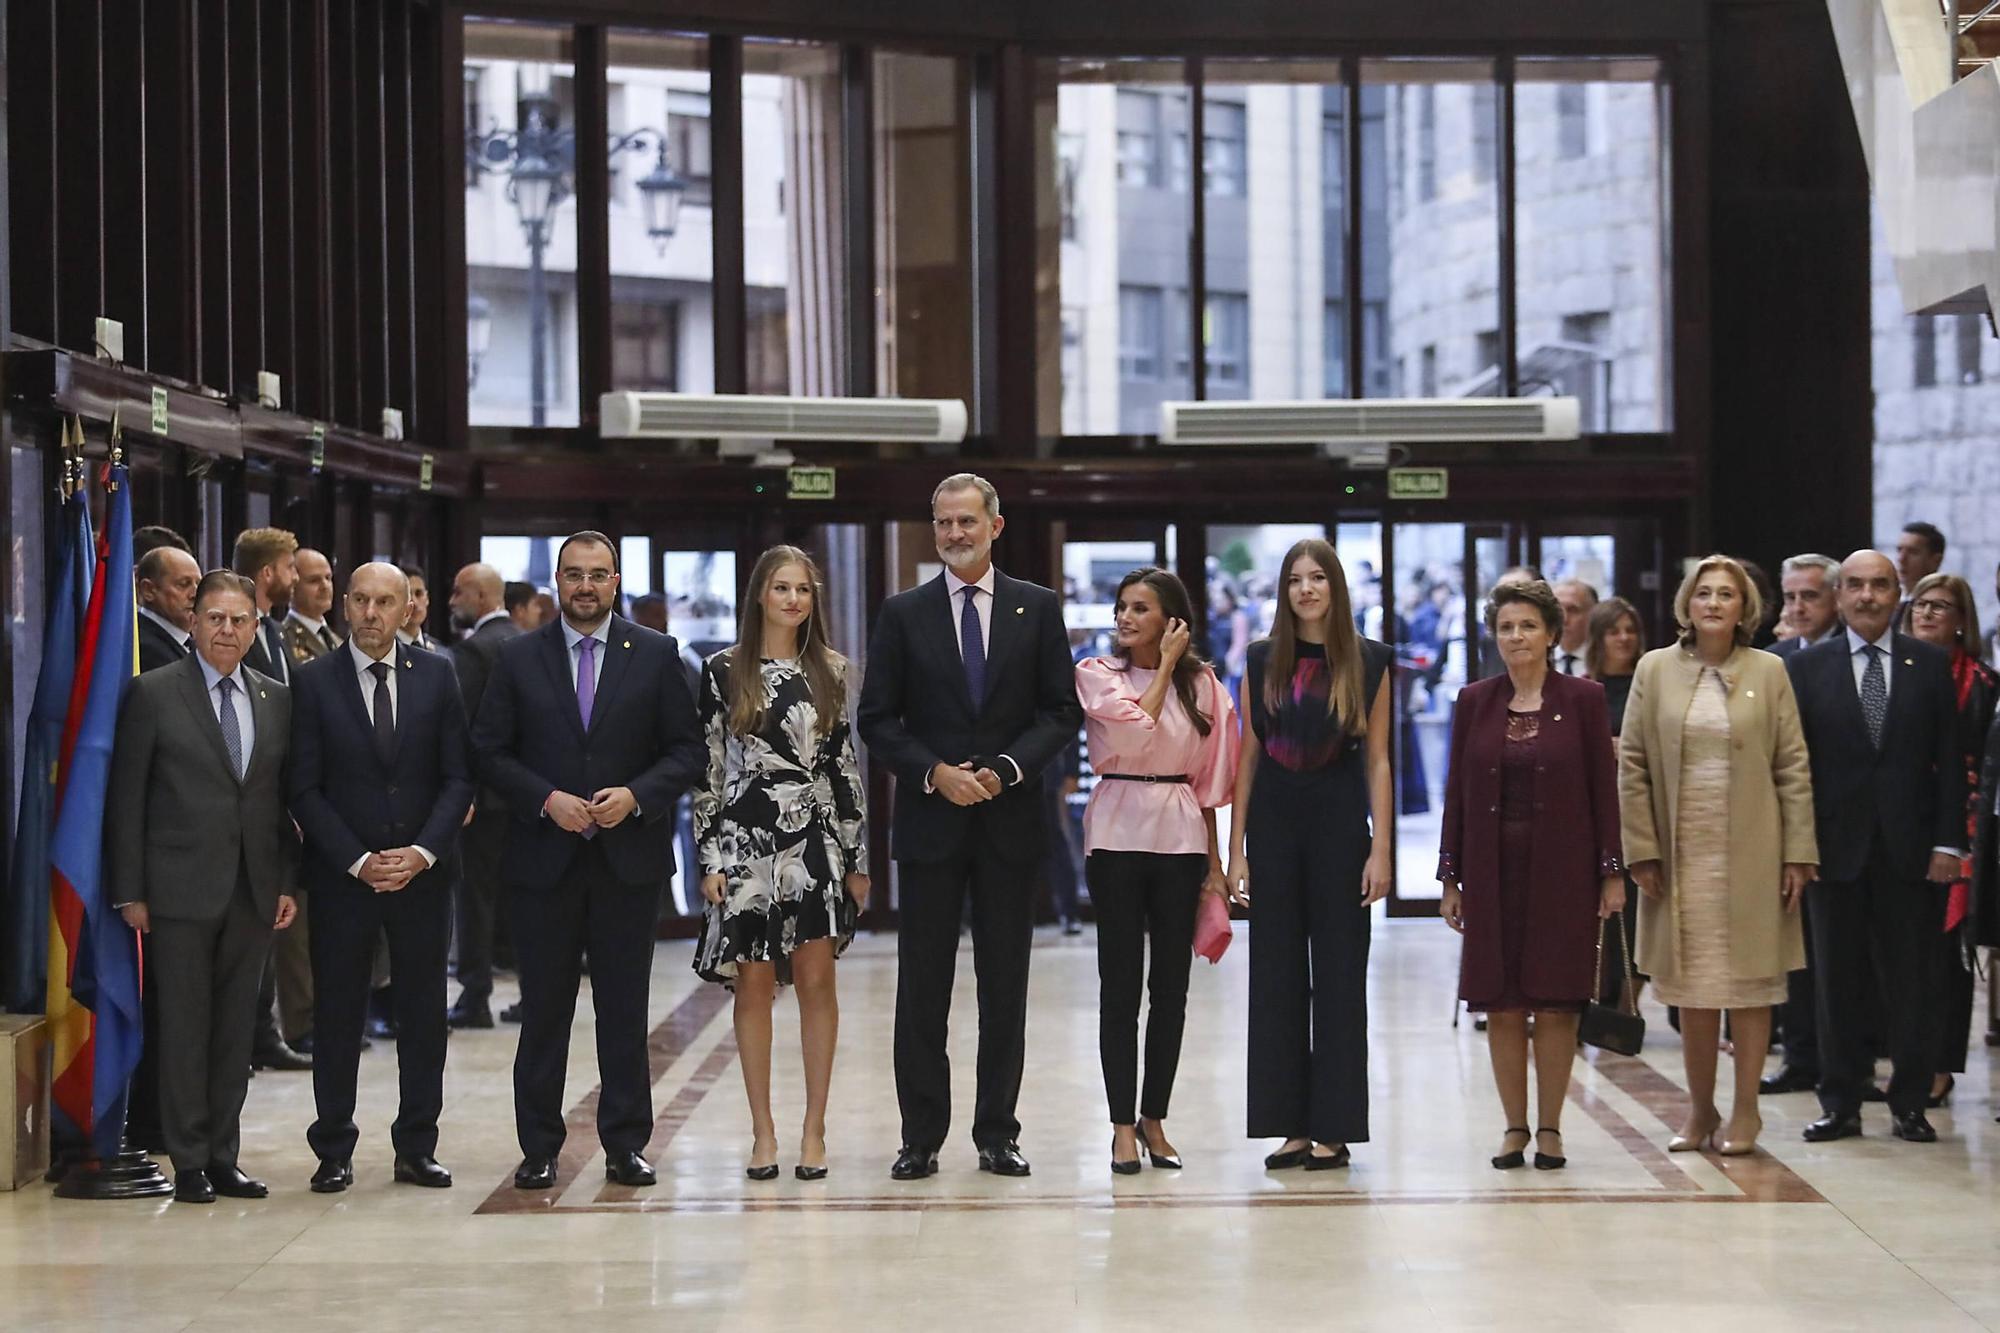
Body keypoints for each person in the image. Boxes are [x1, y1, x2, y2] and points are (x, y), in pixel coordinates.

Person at [857, 473, 1082, 1182]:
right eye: (944, 521)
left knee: (1003, 987)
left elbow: (1059, 712)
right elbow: (877, 720)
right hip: (931, 826)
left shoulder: (1037, 608)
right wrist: (934, 773)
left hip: (1009, 825)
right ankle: (920, 1136)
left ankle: (998, 1132)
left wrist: (1009, 768)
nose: (954, 533)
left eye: (966, 521)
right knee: (922, 988)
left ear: (995, 524)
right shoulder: (903, 612)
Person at [471, 530, 704, 1191]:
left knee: (624, 1012)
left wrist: (637, 795)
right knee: (544, 1010)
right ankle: (539, 1146)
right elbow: (487, 751)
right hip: (543, 860)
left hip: (626, 862)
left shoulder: (656, 654)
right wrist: (546, 799)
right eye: (573, 574)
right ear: (556, 583)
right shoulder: (519, 658)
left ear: (615, 579)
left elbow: (687, 751)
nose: (585, 585)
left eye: (597, 574)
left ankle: (626, 1144)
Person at [107, 571, 301, 1204]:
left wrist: (286, 882)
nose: (227, 630)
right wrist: (130, 890)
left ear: (254, 627)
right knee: (186, 1028)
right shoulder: (153, 694)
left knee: (234, 1030)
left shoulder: (275, 698)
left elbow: (280, 804)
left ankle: (224, 1155)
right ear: (192, 622)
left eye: (239, 620)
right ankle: (187, 1160)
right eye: (214, 617)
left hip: (253, 890)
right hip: (177, 891)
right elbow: (126, 797)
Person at [1619, 556, 1817, 1157]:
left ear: (1744, 607)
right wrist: (1641, 850)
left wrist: (1798, 853)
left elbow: (1792, 765)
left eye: (1725, 594)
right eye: (1702, 593)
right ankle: (1700, 1108)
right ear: (1686, 603)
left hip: (1753, 851)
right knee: (1693, 988)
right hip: (1680, 856)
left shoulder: (1770, 670)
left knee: (1751, 986)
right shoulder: (1655, 669)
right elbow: (1632, 765)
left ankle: (1746, 1112)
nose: (1712, 603)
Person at [289, 563, 473, 1193]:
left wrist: (422, 851)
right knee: (338, 1014)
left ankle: (417, 1146)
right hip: (345, 877)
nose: (372, 614)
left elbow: (458, 777)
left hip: (422, 875)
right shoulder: (312, 682)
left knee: (424, 1015)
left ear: (406, 611)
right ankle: (333, 1148)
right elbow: (304, 788)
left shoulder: (438, 675)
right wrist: (358, 860)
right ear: (346, 606)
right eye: (361, 601)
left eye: (385, 603)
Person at [692, 546, 869, 1181]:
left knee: (818, 981)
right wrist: (708, 855)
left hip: (815, 842)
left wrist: (857, 856)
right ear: (760, 595)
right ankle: (762, 1132)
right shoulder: (721, 670)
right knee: (755, 985)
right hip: (745, 841)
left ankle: (813, 1130)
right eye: (781, 588)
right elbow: (707, 771)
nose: (793, 599)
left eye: (803, 589)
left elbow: (846, 768)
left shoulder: (833, 670)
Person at [1439, 578, 1623, 1172]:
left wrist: (1610, 872)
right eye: (1505, 628)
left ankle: (1551, 1127)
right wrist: (1450, 876)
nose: (1516, 637)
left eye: (1527, 626)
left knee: (1557, 999)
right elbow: (1457, 796)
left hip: (1563, 870)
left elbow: (1604, 793)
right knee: (1502, 999)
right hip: (1492, 873)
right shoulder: (1475, 701)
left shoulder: (1586, 699)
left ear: (1551, 634)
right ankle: (1513, 1126)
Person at [1785, 550, 1965, 1144]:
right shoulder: (1808, 669)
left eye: (1879, 586)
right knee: (1835, 981)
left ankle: (1909, 1102)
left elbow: (1948, 767)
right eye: (1855, 586)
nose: (1866, 596)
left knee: (1911, 980)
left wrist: (1949, 843)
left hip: (1911, 849)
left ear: (1897, 595)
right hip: (1832, 850)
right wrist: (1796, 846)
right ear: (1839, 597)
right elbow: (1795, 767)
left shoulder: (1929, 664)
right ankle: (1839, 1101)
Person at [1227, 540, 1390, 1171]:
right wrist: (1234, 849)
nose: (1306, 589)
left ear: (1336, 587)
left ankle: (1336, 1125)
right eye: (1295, 579)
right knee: (1276, 978)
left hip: (1339, 827)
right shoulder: (1262, 658)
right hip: (1274, 826)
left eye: (1318, 577)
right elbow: (1247, 756)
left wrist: (1382, 849)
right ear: (1283, 592)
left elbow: (1378, 759)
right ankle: (1289, 1124)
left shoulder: (1370, 661)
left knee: (1341, 978)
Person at [1075, 569, 1236, 1175]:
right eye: (1121, 606)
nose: (1124, 617)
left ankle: (1155, 1118)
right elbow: (1133, 726)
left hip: (1181, 835)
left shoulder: (1207, 686)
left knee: (1170, 989)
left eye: (1140, 608)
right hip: (1116, 832)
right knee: (1119, 986)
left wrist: (1216, 867)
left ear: (1171, 618)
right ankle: (1121, 1125)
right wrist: (1164, 667)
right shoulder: (1096, 675)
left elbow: (1213, 782)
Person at [1904, 572, 1996, 1106]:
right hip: (1904, 826)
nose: (1928, 615)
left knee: (1947, 960)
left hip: (1961, 832)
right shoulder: (1900, 672)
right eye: (1921, 605)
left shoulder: (1982, 682)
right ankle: (1904, 1058)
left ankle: (1940, 1065)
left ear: (1962, 620)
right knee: (1904, 953)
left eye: (1941, 607)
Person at [230, 526, 313, 1072]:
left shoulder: (276, 633)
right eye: (290, 569)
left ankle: (265, 1030)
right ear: (268, 574)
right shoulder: (243, 637)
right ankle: (254, 1032)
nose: (296, 579)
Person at [446, 561, 523, 1029]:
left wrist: (462, 792)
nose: (452, 602)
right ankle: (532, 995)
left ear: (479, 596)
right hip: (528, 798)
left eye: (458, 593)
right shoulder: (528, 642)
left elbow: (464, 728)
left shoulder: (475, 651)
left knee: (475, 897)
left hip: (486, 800)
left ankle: (474, 995)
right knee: (524, 898)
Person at [1585, 597, 1645, 735]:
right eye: (1614, 632)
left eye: (1630, 630)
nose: (1624, 638)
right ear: (1598, 639)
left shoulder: (1649, 684)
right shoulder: (1584, 687)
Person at [136, 544, 198, 670]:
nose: (195, 594)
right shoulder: (142, 648)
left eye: (199, 584)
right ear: (148, 590)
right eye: (184, 584)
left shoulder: (196, 644)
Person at [1772, 554, 1843, 660]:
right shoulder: (1775, 657)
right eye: (1791, 597)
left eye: (1809, 596)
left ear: (1837, 598)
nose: (1797, 608)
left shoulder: (1856, 650)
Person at [283, 547, 340, 666]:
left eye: (328, 578)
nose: (325, 586)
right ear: (293, 586)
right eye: (314, 580)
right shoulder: (284, 639)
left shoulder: (337, 640)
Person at [1553, 579, 1598, 677]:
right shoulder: (1537, 661)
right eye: (1557, 610)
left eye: (1573, 610)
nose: (1564, 619)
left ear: (1593, 614)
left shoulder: (1605, 661)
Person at [399, 565, 441, 652]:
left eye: (419, 594)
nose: (414, 603)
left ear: (427, 598)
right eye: (407, 595)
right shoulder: (382, 652)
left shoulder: (441, 651)